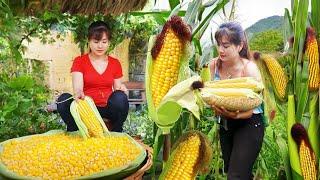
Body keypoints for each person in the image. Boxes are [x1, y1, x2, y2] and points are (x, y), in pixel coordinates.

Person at [209, 22, 265, 179]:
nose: (220, 50)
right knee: (236, 172)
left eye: (226, 46)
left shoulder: (249, 69)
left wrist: (236, 115)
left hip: (249, 123)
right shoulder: (214, 65)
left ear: (239, 46)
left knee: (235, 176)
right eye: (218, 44)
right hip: (226, 124)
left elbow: (257, 103)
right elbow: (210, 92)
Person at [56, 20, 129, 132]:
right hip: (86, 108)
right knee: (63, 100)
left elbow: (118, 89)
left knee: (120, 97)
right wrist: (79, 93)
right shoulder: (79, 61)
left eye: (104, 42)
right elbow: (78, 88)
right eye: (96, 41)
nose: (100, 46)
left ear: (109, 42)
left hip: (107, 109)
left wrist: (123, 90)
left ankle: (117, 131)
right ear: (89, 41)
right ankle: (75, 132)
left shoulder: (115, 63)